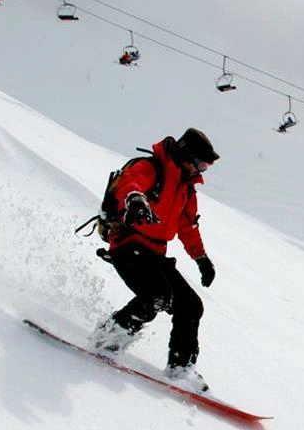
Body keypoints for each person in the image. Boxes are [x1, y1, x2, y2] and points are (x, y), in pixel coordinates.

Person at [90, 128, 220, 392]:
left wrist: (201, 258)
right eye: (201, 163)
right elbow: (130, 184)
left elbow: (187, 227)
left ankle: (180, 367)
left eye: (206, 166)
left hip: (155, 254)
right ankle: (108, 338)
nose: (202, 170)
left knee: (190, 305)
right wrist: (136, 200)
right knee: (156, 295)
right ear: (186, 154)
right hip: (128, 246)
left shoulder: (186, 188)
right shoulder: (151, 168)